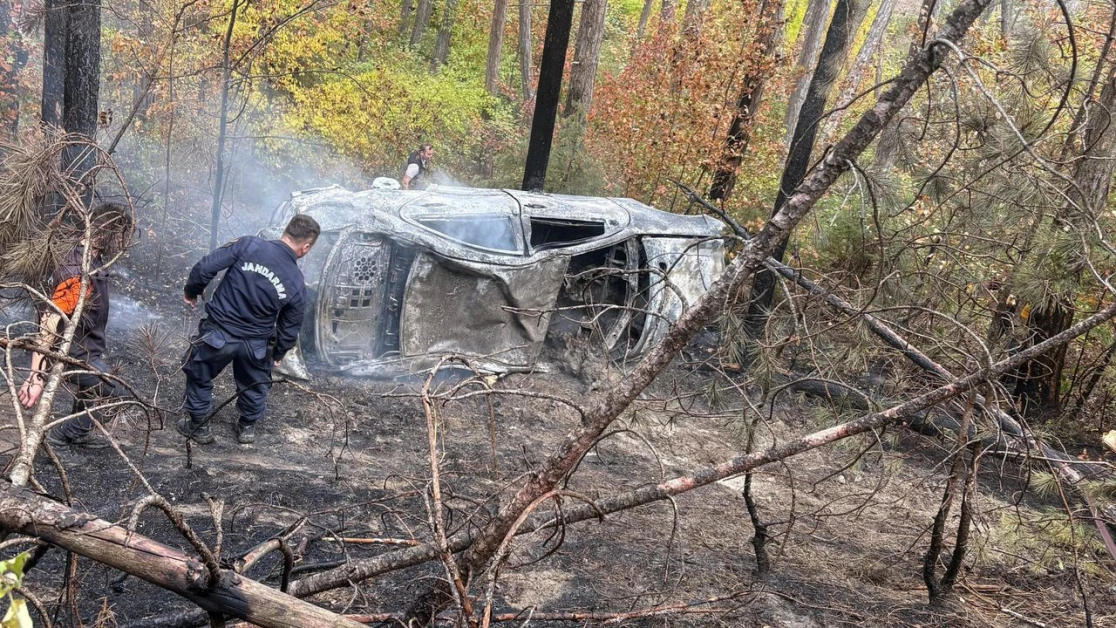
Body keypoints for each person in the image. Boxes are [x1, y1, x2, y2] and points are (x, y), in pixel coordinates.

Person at [177, 214, 320, 445]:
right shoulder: (296, 280)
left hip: (219, 334)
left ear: (286, 231)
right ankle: (247, 427)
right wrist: (280, 352)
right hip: (256, 345)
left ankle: (199, 425)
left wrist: (191, 291)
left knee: (199, 372)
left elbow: (206, 267)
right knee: (254, 384)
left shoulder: (249, 245)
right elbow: (291, 323)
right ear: (305, 248)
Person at [18, 202, 132, 449]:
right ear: (106, 233)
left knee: (92, 389)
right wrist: (36, 375)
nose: (123, 245)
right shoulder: (76, 272)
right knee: (118, 395)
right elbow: (50, 321)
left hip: (87, 348)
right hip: (75, 353)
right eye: (121, 237)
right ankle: (60, 436)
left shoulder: (90, 255)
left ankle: (77, 433)